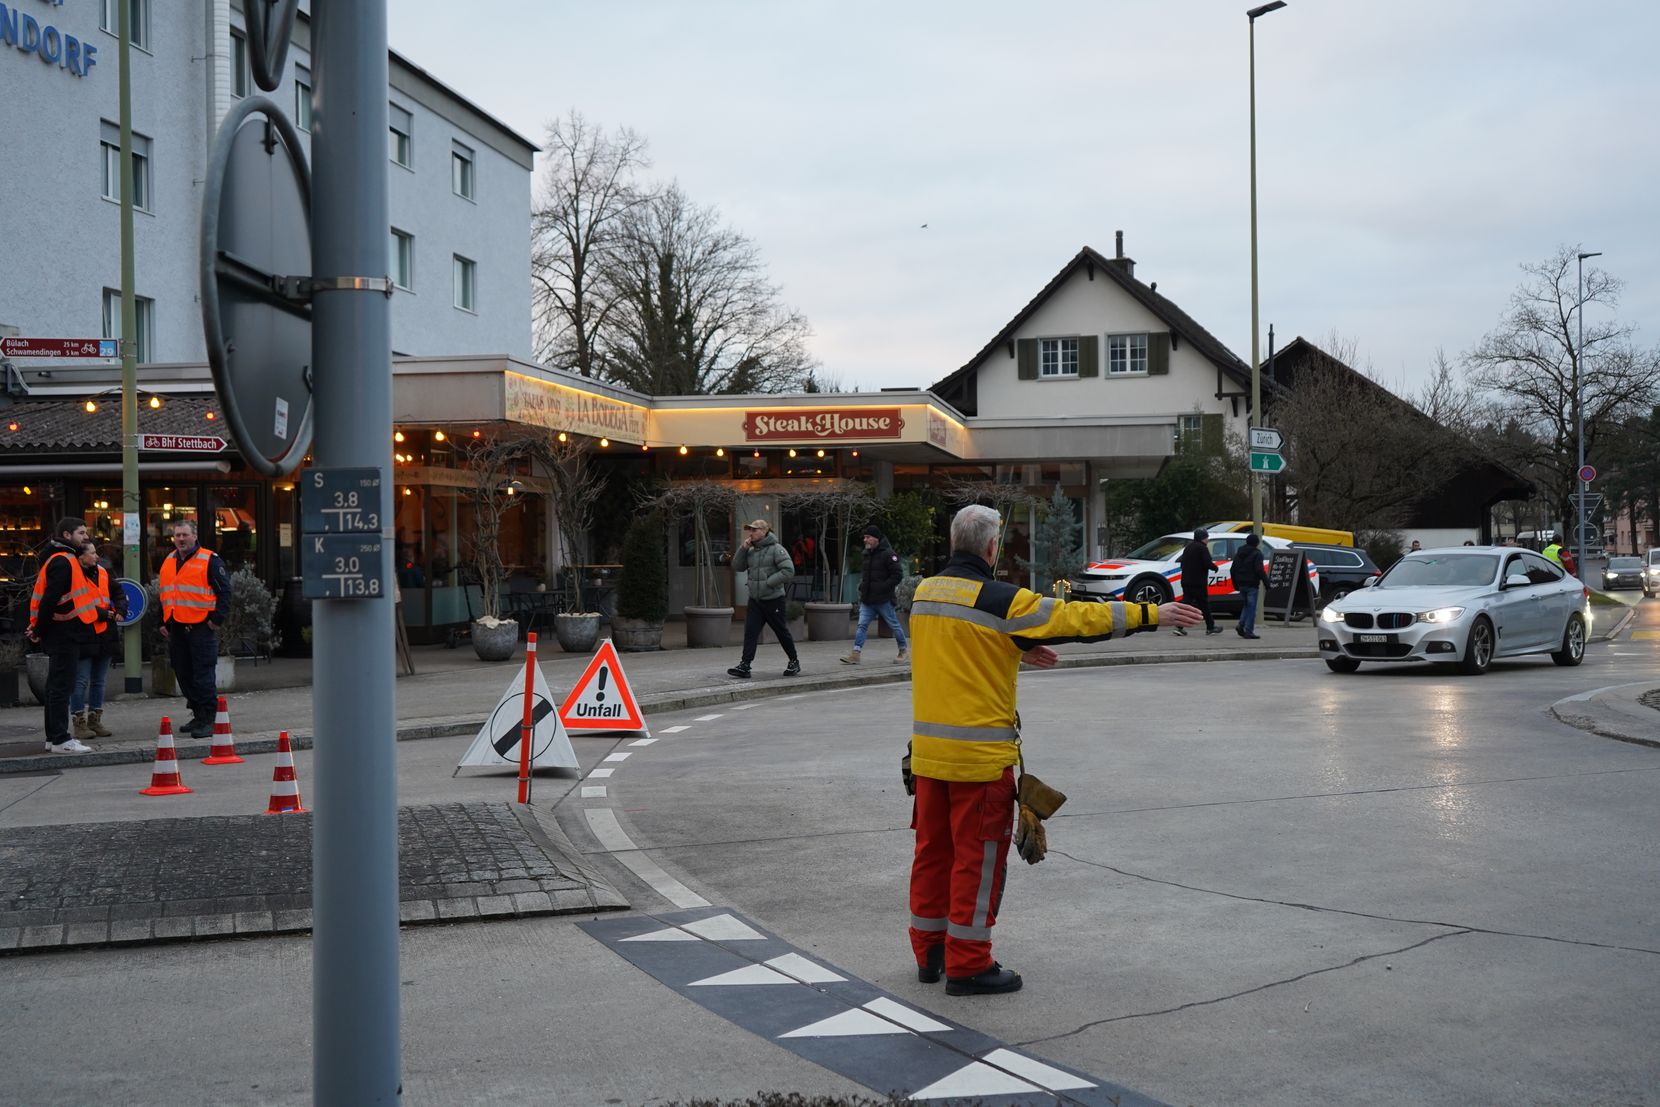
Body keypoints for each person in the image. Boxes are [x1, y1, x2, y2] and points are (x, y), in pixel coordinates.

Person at [907, 505, 1201, 995]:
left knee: (931, 855)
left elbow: (959, 646)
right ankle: (968, 965)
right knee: (976, 864)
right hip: (979, 765)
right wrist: (1151, 612)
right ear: (991, 548)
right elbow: (1074, 617)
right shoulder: (1003, 600)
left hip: (929, 759)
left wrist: (1015, 646)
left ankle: (929, 954)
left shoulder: (925, 594)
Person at [26, 518, 95, 754]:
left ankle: (53, 737)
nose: (85, 537)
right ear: (67, 535)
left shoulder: (60, 559)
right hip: (64, 633)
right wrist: (38, 630)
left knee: (56, 686)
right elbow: (50, 600)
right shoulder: (63, 562)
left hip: (61, 632)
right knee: (61, 687)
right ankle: (60, 739)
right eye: (81, 533)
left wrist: (39, 629)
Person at [159, 519, 232, 738]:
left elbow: (225, 592)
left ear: (195, 536)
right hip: (177, 627)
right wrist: (163, 621)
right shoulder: (169, 560)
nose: (180, 539)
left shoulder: (210, 560)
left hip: (201, 626)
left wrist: (216, 620)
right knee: (183, 673)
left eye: (184, 535)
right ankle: (198, 714)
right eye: (177, 535)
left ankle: (209, 719)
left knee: (203, 675)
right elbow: (165, 593)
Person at [727, 519, 800, 679]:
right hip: (755, 600)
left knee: (781, 632)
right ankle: (745, 665)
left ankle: (794, 661)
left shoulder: (777, 549)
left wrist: (768, 583)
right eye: (750, 530)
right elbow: (737, 566)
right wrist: (743, 548)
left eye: (754, 530)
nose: (751, 533)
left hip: (773, 599)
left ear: (764, 532)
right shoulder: (751, 551)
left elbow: (788, 570)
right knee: (750, 632)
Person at [70, 540, 125, 740]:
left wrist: (120, 610)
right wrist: (108, 614)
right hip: (84, 633)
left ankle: (95, 720)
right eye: (92, 553)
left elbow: (118, 592)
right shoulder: (73, 575)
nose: (96, 556)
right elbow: (79, 604)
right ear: (81, 556)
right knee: (81, 681)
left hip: (104, 634)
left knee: (99, 681)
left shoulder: (102, 572)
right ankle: (79, 723)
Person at [841, 525, 909, 665]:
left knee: (894, 625)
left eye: (868, 537)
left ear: (876, 538)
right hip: (868, 599)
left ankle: (903, 651)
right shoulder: (867, 554)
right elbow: (867, 574)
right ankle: (856, 653)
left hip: (883, 599)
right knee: (861, 625)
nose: (865, 540)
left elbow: (897, 575)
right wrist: (862, 586)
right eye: (864, 537)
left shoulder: (889, 554)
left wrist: (883, 587)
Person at [1175, 528, 1221, 636]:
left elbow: (1182, 563)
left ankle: (1179, 627)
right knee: (1204, 605)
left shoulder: (1188, 547)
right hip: (1198, 583)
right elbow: (1207, 563)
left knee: (1186, 605)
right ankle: (1211, 627)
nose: (1207, 540)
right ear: (1202, 538)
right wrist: (1215, 568)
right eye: (1206, 537)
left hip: (1186, 581)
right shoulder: (1202, 548)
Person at [1230, 532, 1268, 639]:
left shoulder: (1239, 553)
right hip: (1252, 584)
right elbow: (1259, 570)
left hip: (1241, 583)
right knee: (1252, 608)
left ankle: (1241, 625)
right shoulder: (1257, 554)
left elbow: (1233, 569)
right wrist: (1266, 583)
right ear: (1256, 543)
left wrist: (1235, 584)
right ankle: (1249, 631)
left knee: (1246, 605)